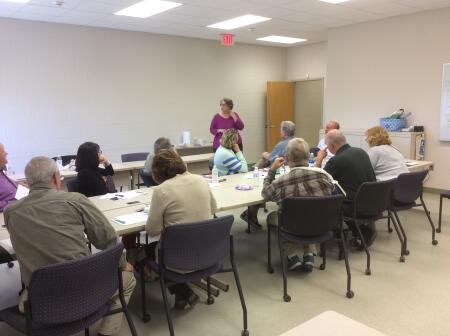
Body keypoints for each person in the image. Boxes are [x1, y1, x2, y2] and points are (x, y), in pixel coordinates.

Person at [4, 156, 135, 336]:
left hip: (41, 304)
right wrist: (123, 264)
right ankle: (107, 333)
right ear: (57, 178)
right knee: (128, 280)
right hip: (86, 293)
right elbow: (106, 238)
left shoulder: (10, 212)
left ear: (27, 183)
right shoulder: (75, 200)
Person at [146, 149, 217, 310]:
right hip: (209, 251)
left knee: (147, 251)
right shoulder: (201, 180)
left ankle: (182, 291)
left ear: (157, 172)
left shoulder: (161, 190)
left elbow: (152, 230)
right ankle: (182, 295)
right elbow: (214, 209)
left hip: (178, 258)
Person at [262, 138, 334, 272]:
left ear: (287, 158)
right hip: (320, 224)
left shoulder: (281, 182)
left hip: (292, 226)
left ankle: (291, 256)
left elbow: (265, 194)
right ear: (308, 156)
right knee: (311, 212)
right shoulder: (325, 177)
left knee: (274, 216)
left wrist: (271, 171)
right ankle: (309, 255)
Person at [317, 130, 377, 246]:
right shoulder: (361, 152)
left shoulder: (336, 160)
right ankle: (362, 231)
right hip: (372, 201)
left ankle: (338, 234)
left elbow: (319, 181)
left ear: (332, 145)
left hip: (354, 205)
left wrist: (319, 160)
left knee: (327, 198)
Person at [0, 143, 18, 212]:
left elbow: (10, 184)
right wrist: (15, 203)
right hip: (10, 213)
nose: (6, 153)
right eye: (3, 152)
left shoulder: (1, 171)